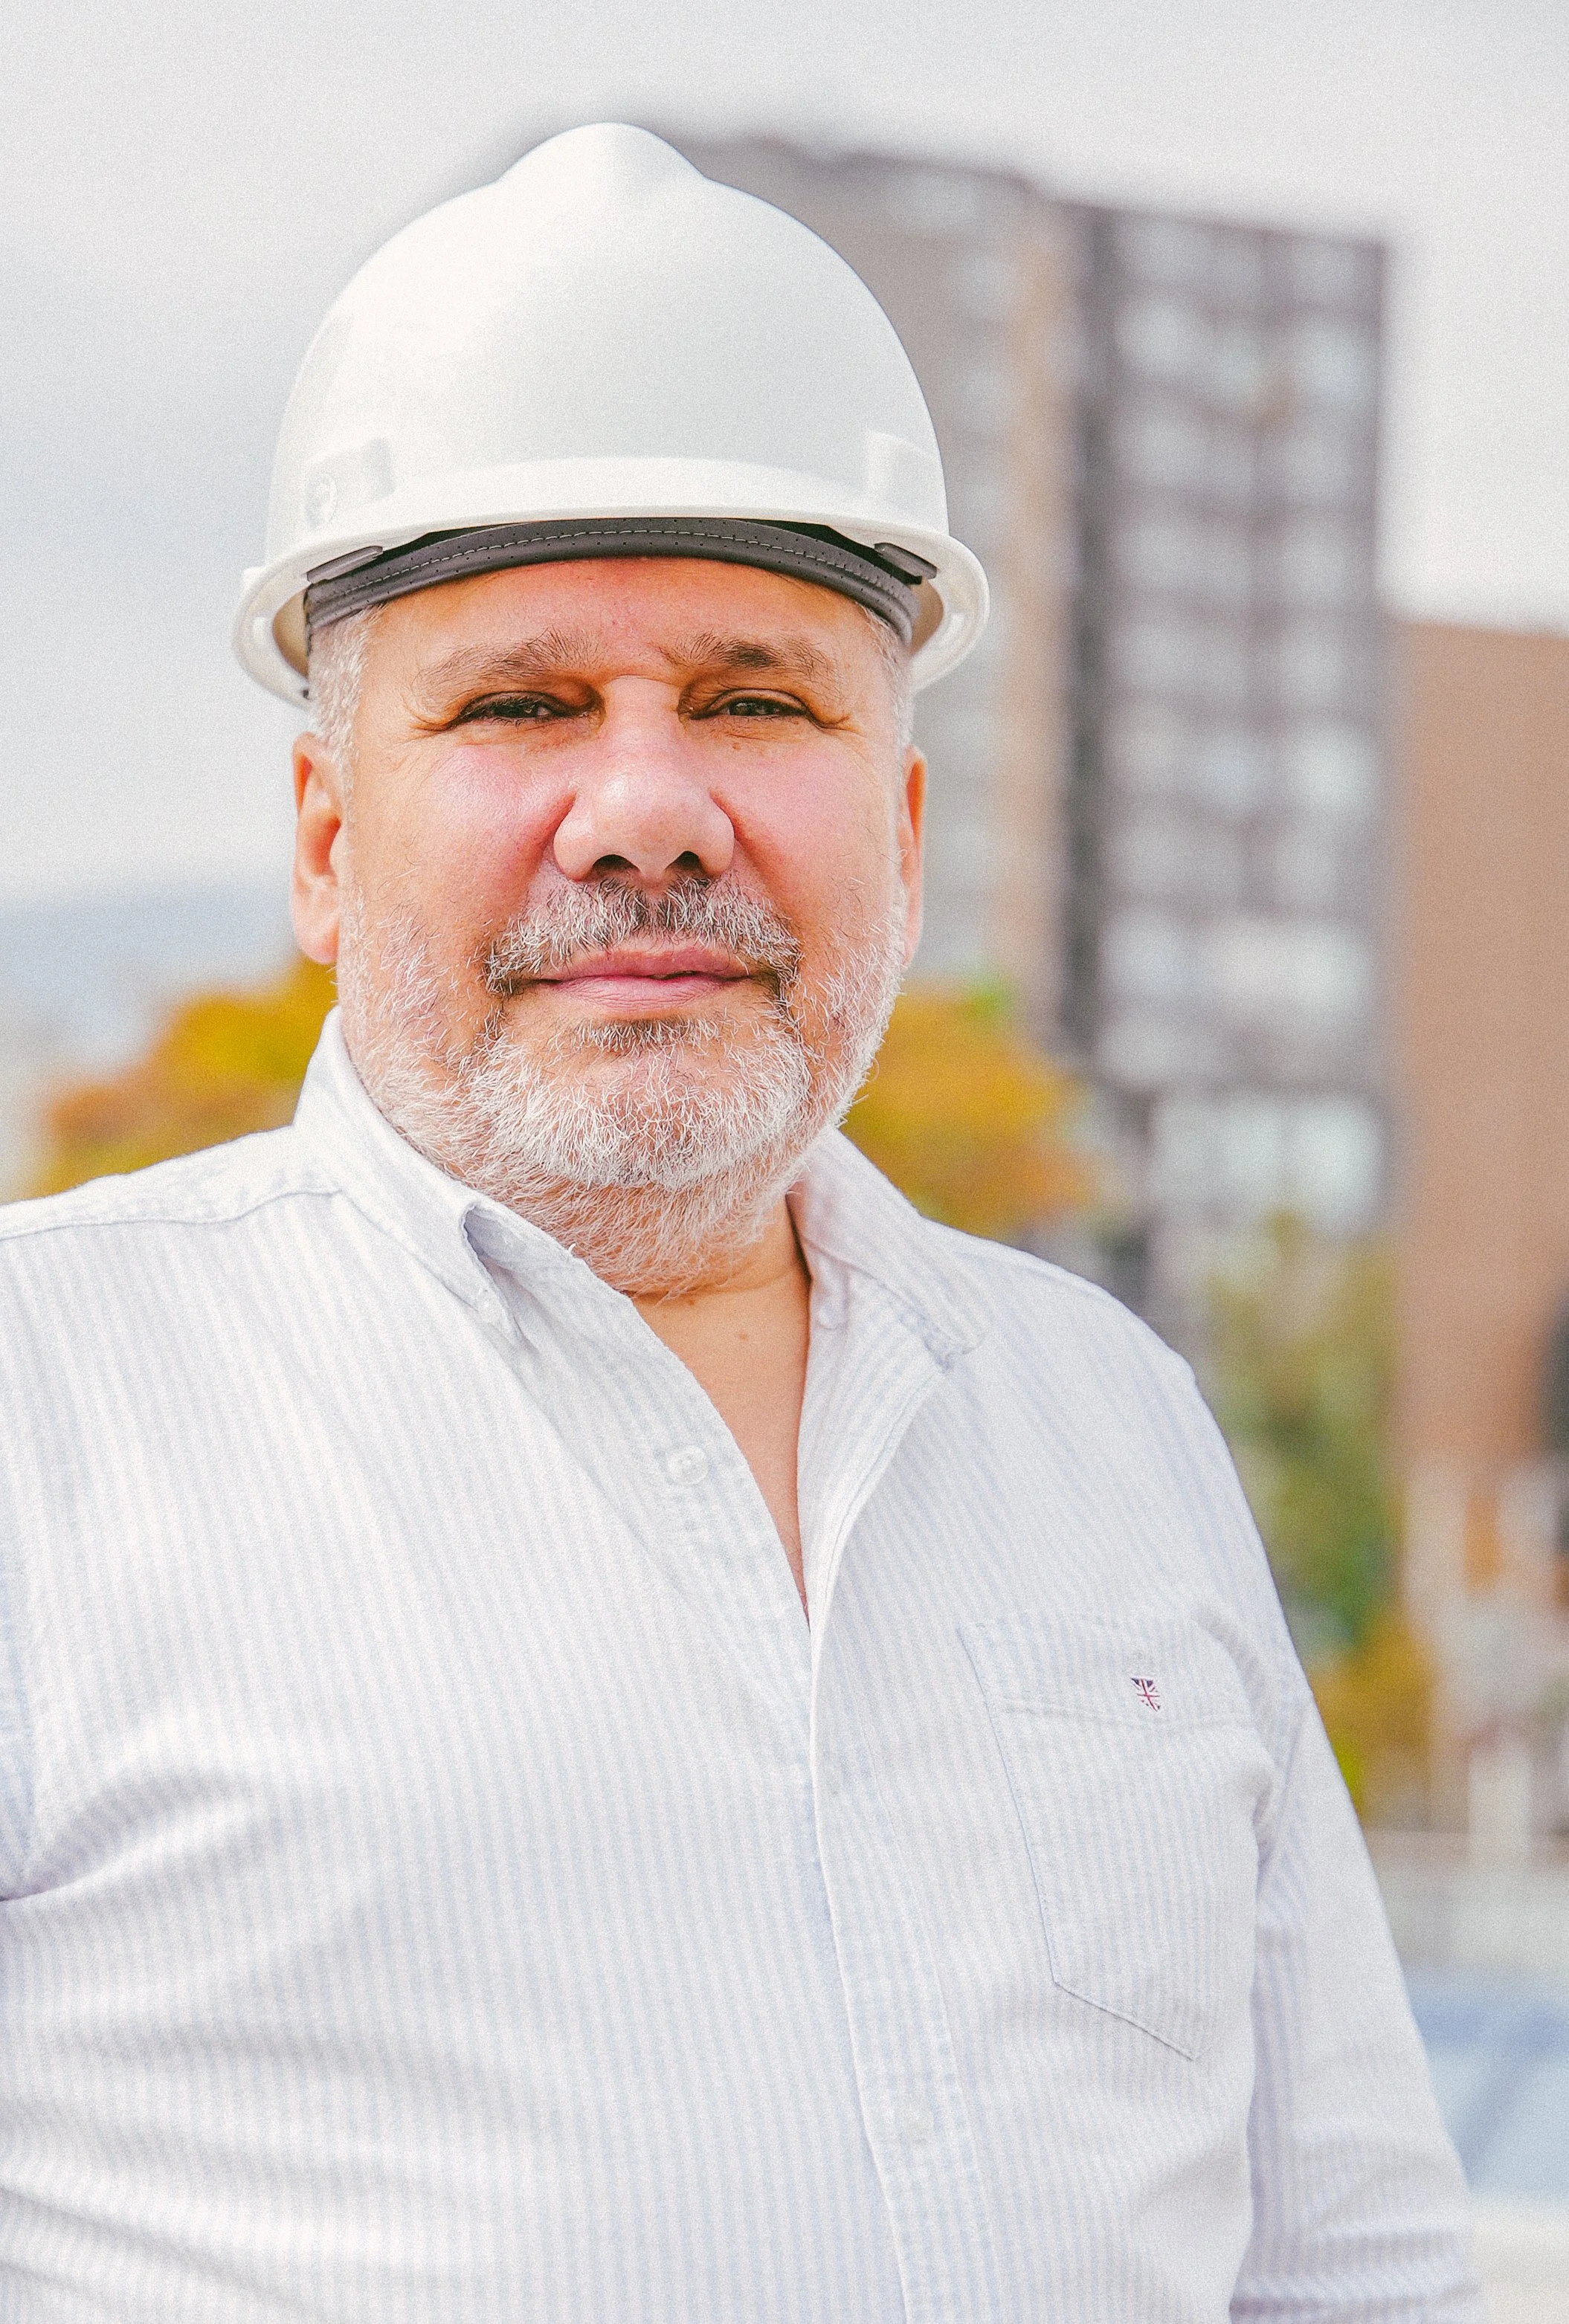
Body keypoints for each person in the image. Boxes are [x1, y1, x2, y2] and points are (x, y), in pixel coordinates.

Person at [0, 125, 1478, 2322]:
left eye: (753, 700)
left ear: (894, 818)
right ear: (323, 841)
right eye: (514, 704)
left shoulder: (1105, 1424)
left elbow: (1348, 2267)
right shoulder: (48, 1419)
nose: (646, 811)